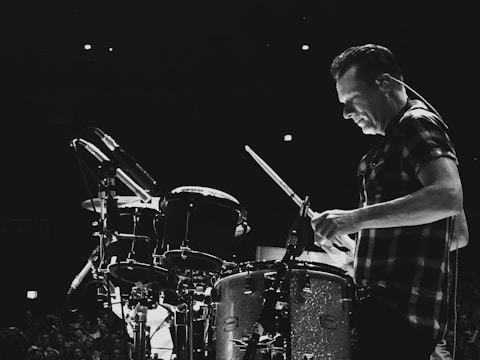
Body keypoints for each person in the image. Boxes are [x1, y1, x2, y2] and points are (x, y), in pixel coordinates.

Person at [310, 43, 469, 360]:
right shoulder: (388, 144)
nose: (345, 113)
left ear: (384, 83)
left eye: (352, 100)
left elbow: (449, 196)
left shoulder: (416, 123)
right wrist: (355, 254)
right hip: (386, 313)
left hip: (400, 315)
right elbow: (456, 235)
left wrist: (354, 219)